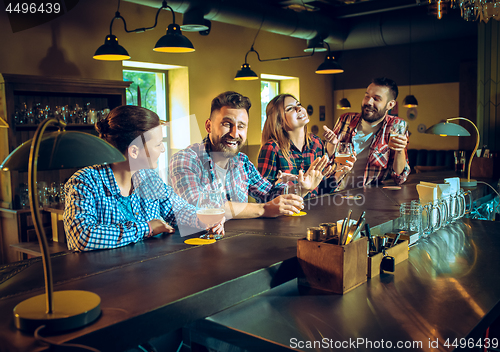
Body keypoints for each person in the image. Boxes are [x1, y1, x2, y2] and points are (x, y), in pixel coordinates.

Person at [64, 105, 222, 251]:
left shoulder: (149, 178)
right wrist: (146, 228)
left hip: (147, 274)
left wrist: (203, 220)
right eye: (158, 144)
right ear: (134, 151)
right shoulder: (85, 182)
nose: (162, 149)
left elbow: (178, 211)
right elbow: (81, 237)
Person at [169, 91, 321, 219]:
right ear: (209, 126)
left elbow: (269, 194)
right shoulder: (186, 159)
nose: (235, 133)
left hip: (237, 245)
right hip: (193, 247)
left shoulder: (242, 162)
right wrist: (263, 209)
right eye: (227, 124)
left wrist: (301, 189)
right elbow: (199, 205)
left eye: (241, 126)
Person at [323, 77, 410, 190]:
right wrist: (330, 145)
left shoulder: (396, 126)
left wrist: (400, 150)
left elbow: (399, 178)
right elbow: (326, 160)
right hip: (335, 191)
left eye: (376, 99)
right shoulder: (345, 120)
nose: (369, 102)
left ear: (390, 105)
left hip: (367, 196)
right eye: (367, 96)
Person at [258, 94, 347, 197]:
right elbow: (263, 196)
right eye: (290, 108)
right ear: (279, 121)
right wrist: (297, 189)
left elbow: (320, 190)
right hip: (287, 212)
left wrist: (339, 174)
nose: (299, 108)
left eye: (299, 104)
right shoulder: (272, 148)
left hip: (315, 211)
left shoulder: (316, 143)